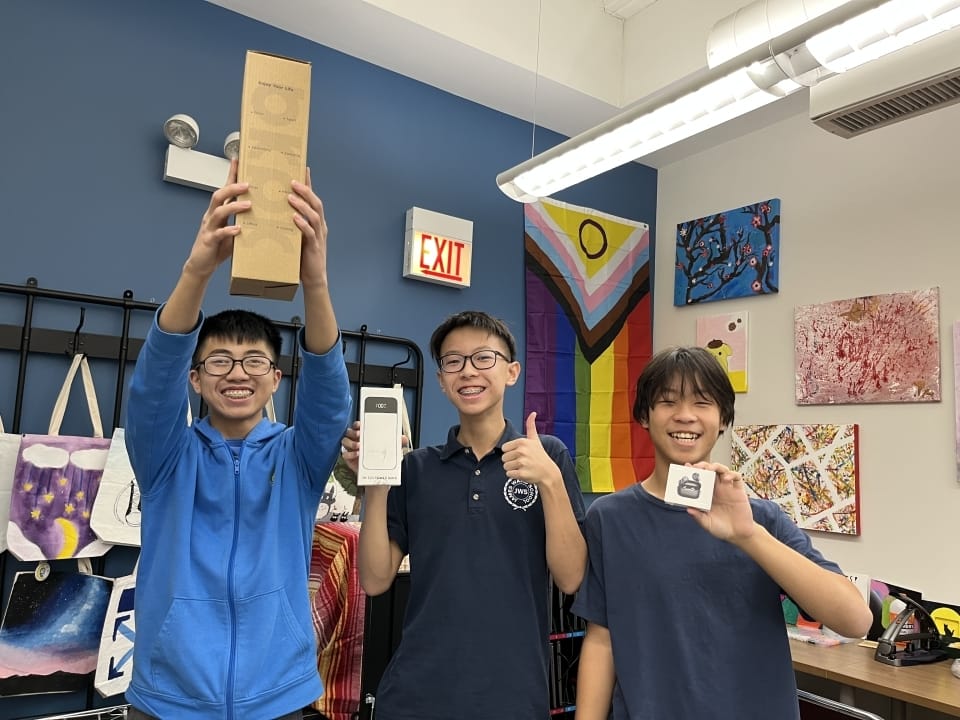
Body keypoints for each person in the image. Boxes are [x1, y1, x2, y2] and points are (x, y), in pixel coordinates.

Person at [123, 161, 352, 720]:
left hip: (279, 695)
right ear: (195, 379)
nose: (237, 373)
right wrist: (198, 268)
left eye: (254, 361)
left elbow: (328, 400)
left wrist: (315, 281)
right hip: (168, 697)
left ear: (275, 379)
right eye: (219, 360)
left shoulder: (297, 460)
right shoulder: (165, 458)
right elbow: (152, 388)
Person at [572, 346, 873, 720]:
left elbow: (855, 621)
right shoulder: (610, 518)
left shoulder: (761, 519)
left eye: (702, 402)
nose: (685, 415)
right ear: (644, 416)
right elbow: (602, 640)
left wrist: (748, 535)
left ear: (723, 418)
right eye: (667, 401)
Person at [339, 310, 587, 719]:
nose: (468, 371)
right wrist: (376, 483)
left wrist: (550, 482)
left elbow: (571, 576)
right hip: (415, 697)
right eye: (454, 361)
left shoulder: (547, 456)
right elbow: (375, 578)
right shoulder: (416, 469)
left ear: (512, 372)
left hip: (512, 697)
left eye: (484, 358)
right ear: (441, 380)